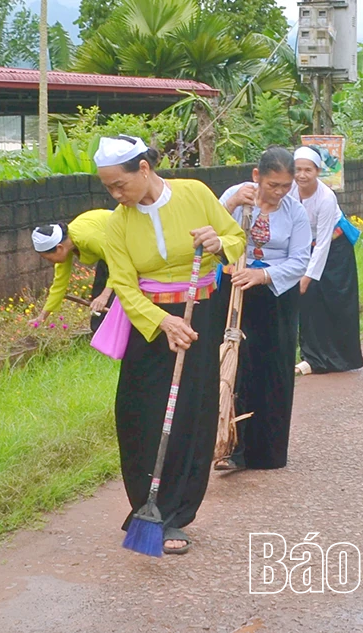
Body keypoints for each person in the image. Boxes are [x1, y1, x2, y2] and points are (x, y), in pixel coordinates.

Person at [92, 135, 245, 554]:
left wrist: (219, 244)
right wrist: (162, 322)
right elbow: (122, 284)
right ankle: (145, 506)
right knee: (138, 412)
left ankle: (176, 514)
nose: (115, 194)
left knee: (190, 413)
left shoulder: (195, 194)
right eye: (107, 187)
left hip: (200, 314)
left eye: (118, 185)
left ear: (144, 169)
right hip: (151, 322)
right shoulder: (117, 223)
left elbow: (235, 239)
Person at [213, 147, 312, 471]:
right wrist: (229, 205)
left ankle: (265, 453)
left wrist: (262, 274)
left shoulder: (295, 212)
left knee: (271, 371)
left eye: (287, 185)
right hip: (235, 293)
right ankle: (227, 446)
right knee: (234, 367)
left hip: (275, 298)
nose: (281, 192)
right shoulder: (236, 196)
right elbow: (207, 231)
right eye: (274, 185)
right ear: (257, 176)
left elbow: (300, 260)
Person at [291, 146, 363, 375]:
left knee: (335, 301)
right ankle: (311, 358)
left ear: (318, 171)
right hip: (306, 246)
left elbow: (323, 242)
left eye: (308, 170)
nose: (302, 175)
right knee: (309, 302)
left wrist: (307, 277)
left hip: (335, 249)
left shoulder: (325, 197)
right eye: (298, 169)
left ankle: (341, 358)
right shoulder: (290, 190)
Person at [31, 209, 114, 332]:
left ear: (59, 248)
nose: (51, 262)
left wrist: (105, 295)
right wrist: (42, 317)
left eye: (48, 258)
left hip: (128, 253)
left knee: (113, 302)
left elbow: (119, 264)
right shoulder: (67, 245)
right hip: (110, 259)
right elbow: (59, 283)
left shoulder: (88, 238)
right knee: (98, 314)